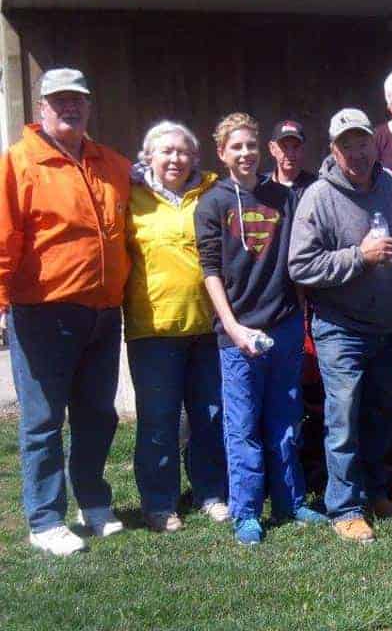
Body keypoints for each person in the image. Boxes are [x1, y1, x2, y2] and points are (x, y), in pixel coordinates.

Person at [0, 68, 130, 555]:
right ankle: (45, 519)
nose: (69, 107)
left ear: (89, 106)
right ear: (42, 109)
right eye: (59, 101)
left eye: (77, 99)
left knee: (97, 415)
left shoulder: (110, 163)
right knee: (43, 420)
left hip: (103, 312)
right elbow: (3, 237)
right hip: (43, 312)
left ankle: (92, 504)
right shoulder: (18, 163)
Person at [195, 112, 328, 546]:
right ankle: (247, 511)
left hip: (284, 325)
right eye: (236, 147)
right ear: (222, 153)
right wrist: (232, 327)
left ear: (262, 149)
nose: (245, 153)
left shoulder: (282, 198)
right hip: (239, 332)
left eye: (251, 145)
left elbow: (298, 260)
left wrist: (300, 315)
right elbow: (210, 271)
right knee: (243, 425)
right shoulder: (212, 203)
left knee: (285, 418)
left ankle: (290, 500)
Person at [288, 108, 392, 543]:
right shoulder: (318, 197)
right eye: (347, 146)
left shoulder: (389, 185)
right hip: (341, 328)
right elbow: (301, 265)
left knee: (386, 413)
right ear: (333, 151)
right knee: (344, 419)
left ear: (374, 144)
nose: (357, 153)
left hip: (386, 325)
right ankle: (345, 507)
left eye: (362, 143)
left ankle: (374, 491)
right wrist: (359, 257)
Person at [125, 121, 228, 532]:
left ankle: (211, 493)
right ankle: (159, 502)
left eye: (183, 151)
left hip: (207, 326)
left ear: (195, 157)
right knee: (159, 420)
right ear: (147, 156)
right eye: (166, 151)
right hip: (153, 327)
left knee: (210, 416)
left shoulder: (211, 190)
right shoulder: (130, 196)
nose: (175, 159)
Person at [263, 119, 316, 200]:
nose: (290, 154)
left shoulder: (315, 188)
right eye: (284, 147)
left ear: (303, 149)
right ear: (272, 148)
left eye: (296, 147)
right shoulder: (261, 186)